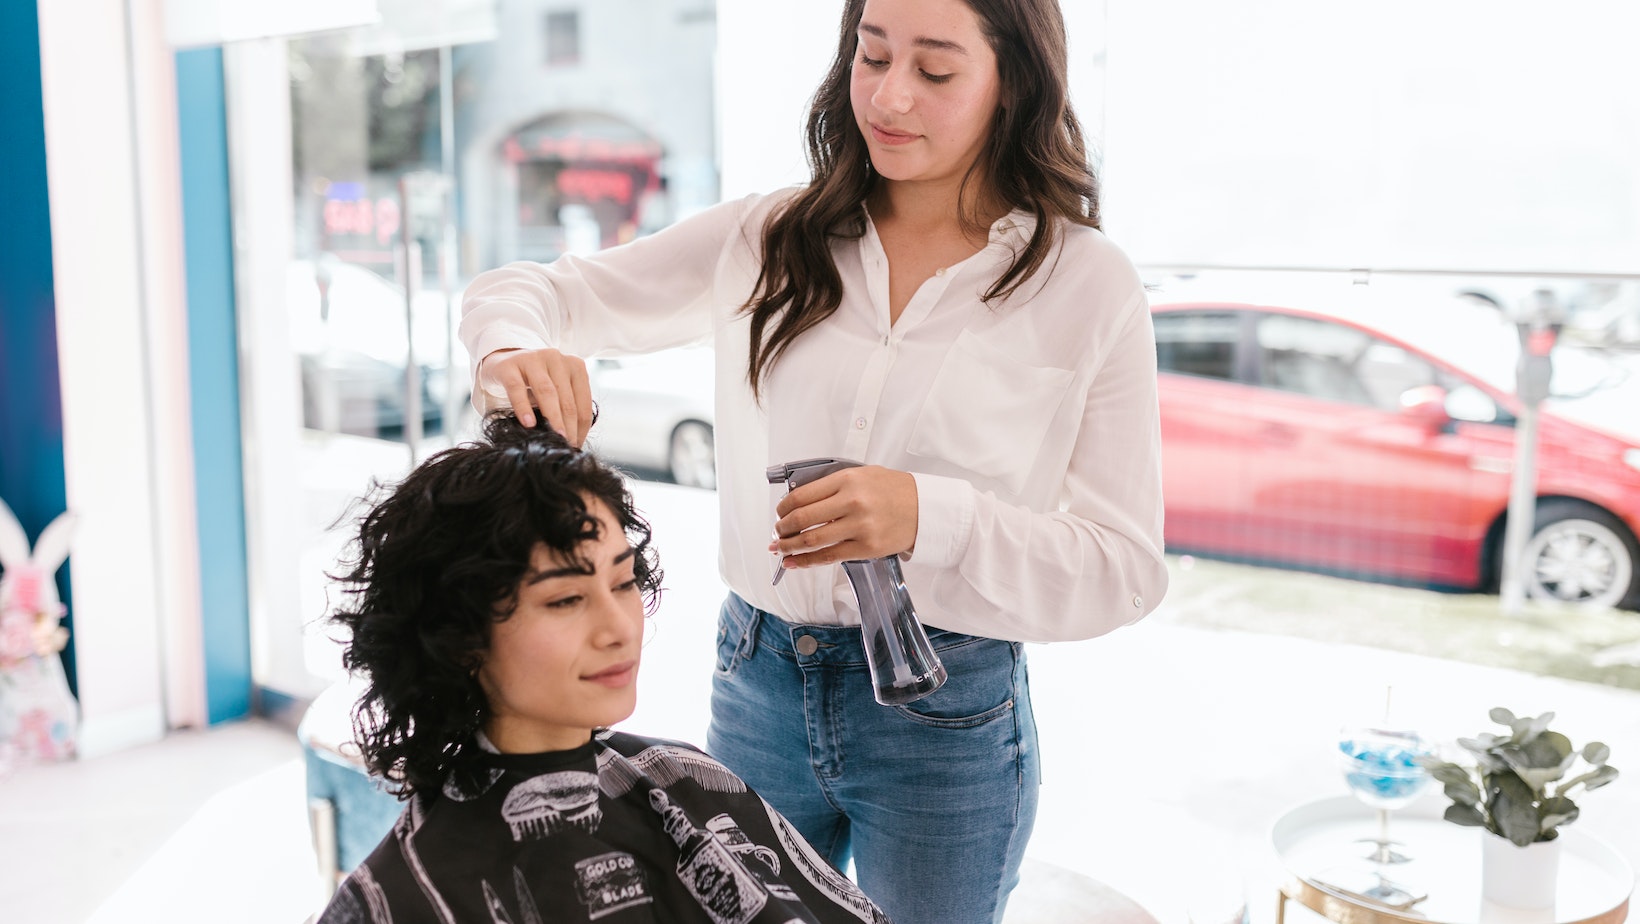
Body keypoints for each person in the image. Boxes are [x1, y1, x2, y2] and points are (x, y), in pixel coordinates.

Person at [459, 0, 1168, 920]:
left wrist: (929, 516)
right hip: (757, 681)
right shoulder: (769, 239)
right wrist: (509, 349)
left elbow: (1126, 570)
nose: (890, 95)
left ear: (1016, 83)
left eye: (936, 71)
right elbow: (528, 293)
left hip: (944, 717)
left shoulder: (1084, 283)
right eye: (871, 57)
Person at [317, 414, 891, 924]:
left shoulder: (681, 780)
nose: (618, 627)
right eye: (565, 600)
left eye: (623, 582)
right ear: (459, 636)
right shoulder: (403, 893)